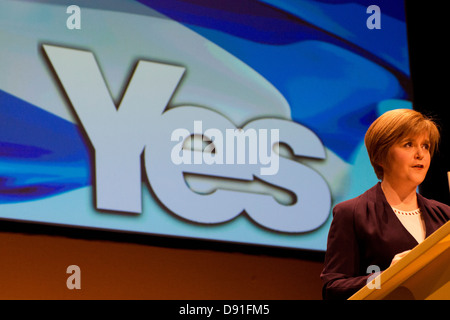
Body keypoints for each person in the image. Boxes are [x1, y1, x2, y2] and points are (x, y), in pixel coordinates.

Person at [320, 108, 450, 300]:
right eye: (408, 145)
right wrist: (386, 276)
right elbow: (333, 289)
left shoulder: (444, 214)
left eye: (425, 146)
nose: (420, 154)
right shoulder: (352, 213)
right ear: (381, 156)